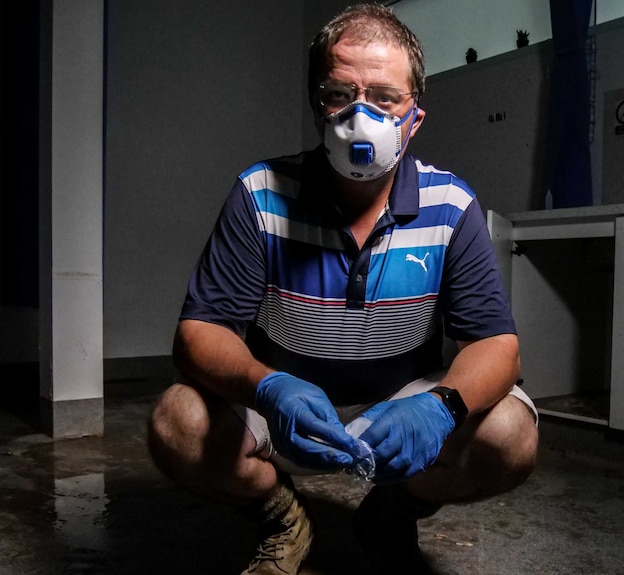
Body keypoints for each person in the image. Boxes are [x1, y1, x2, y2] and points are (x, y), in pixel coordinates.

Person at [147, 4, 539, 574]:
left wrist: (439, 408)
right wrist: (268, 386)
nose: (361, 116)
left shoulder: (450, 206)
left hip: (400, 406)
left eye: (385, 98)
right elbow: (200, 331)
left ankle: (391, 513)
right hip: (280, 408)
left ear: (414, 118)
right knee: (175, 422)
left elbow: (497, 346)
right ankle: (283, 517)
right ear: (317, 104)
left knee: (511, 435)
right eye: (340, 93)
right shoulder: (260, 194)